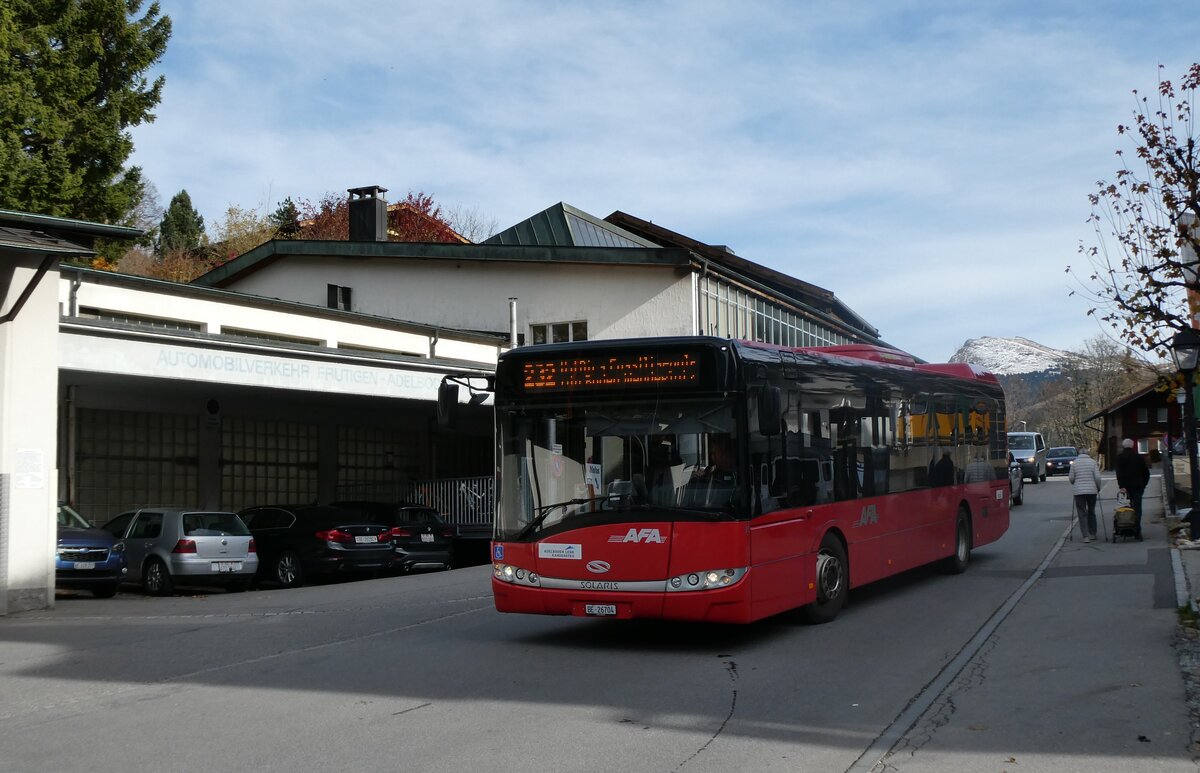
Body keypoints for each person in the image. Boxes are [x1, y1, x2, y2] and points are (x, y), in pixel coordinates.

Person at [1114, 438, 1150, 540]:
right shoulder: (1139, 457)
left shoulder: (1120, 458)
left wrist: (1121, 486)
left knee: (1126, 508)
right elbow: (1146, 473)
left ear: (1123, 446)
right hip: (1138, 486)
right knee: (1137, 508)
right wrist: (1143, 484)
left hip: (1126, 488)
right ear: (1133, 446)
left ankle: (1126, 528)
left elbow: (1119, 473)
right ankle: (1137, 530)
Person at [1069, 447, 1102, 542]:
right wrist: (1098, 487)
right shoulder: (1093, 462)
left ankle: (1085, 536)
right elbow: (1097, 478)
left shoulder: (1074, 463)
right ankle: (1093, 534)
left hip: (1079, 492)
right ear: (1088, 454)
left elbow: (1071, 478)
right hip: (1092, 491)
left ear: (1079, 454)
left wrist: (1075, 483)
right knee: (1091, 511)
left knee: (1082, 513)